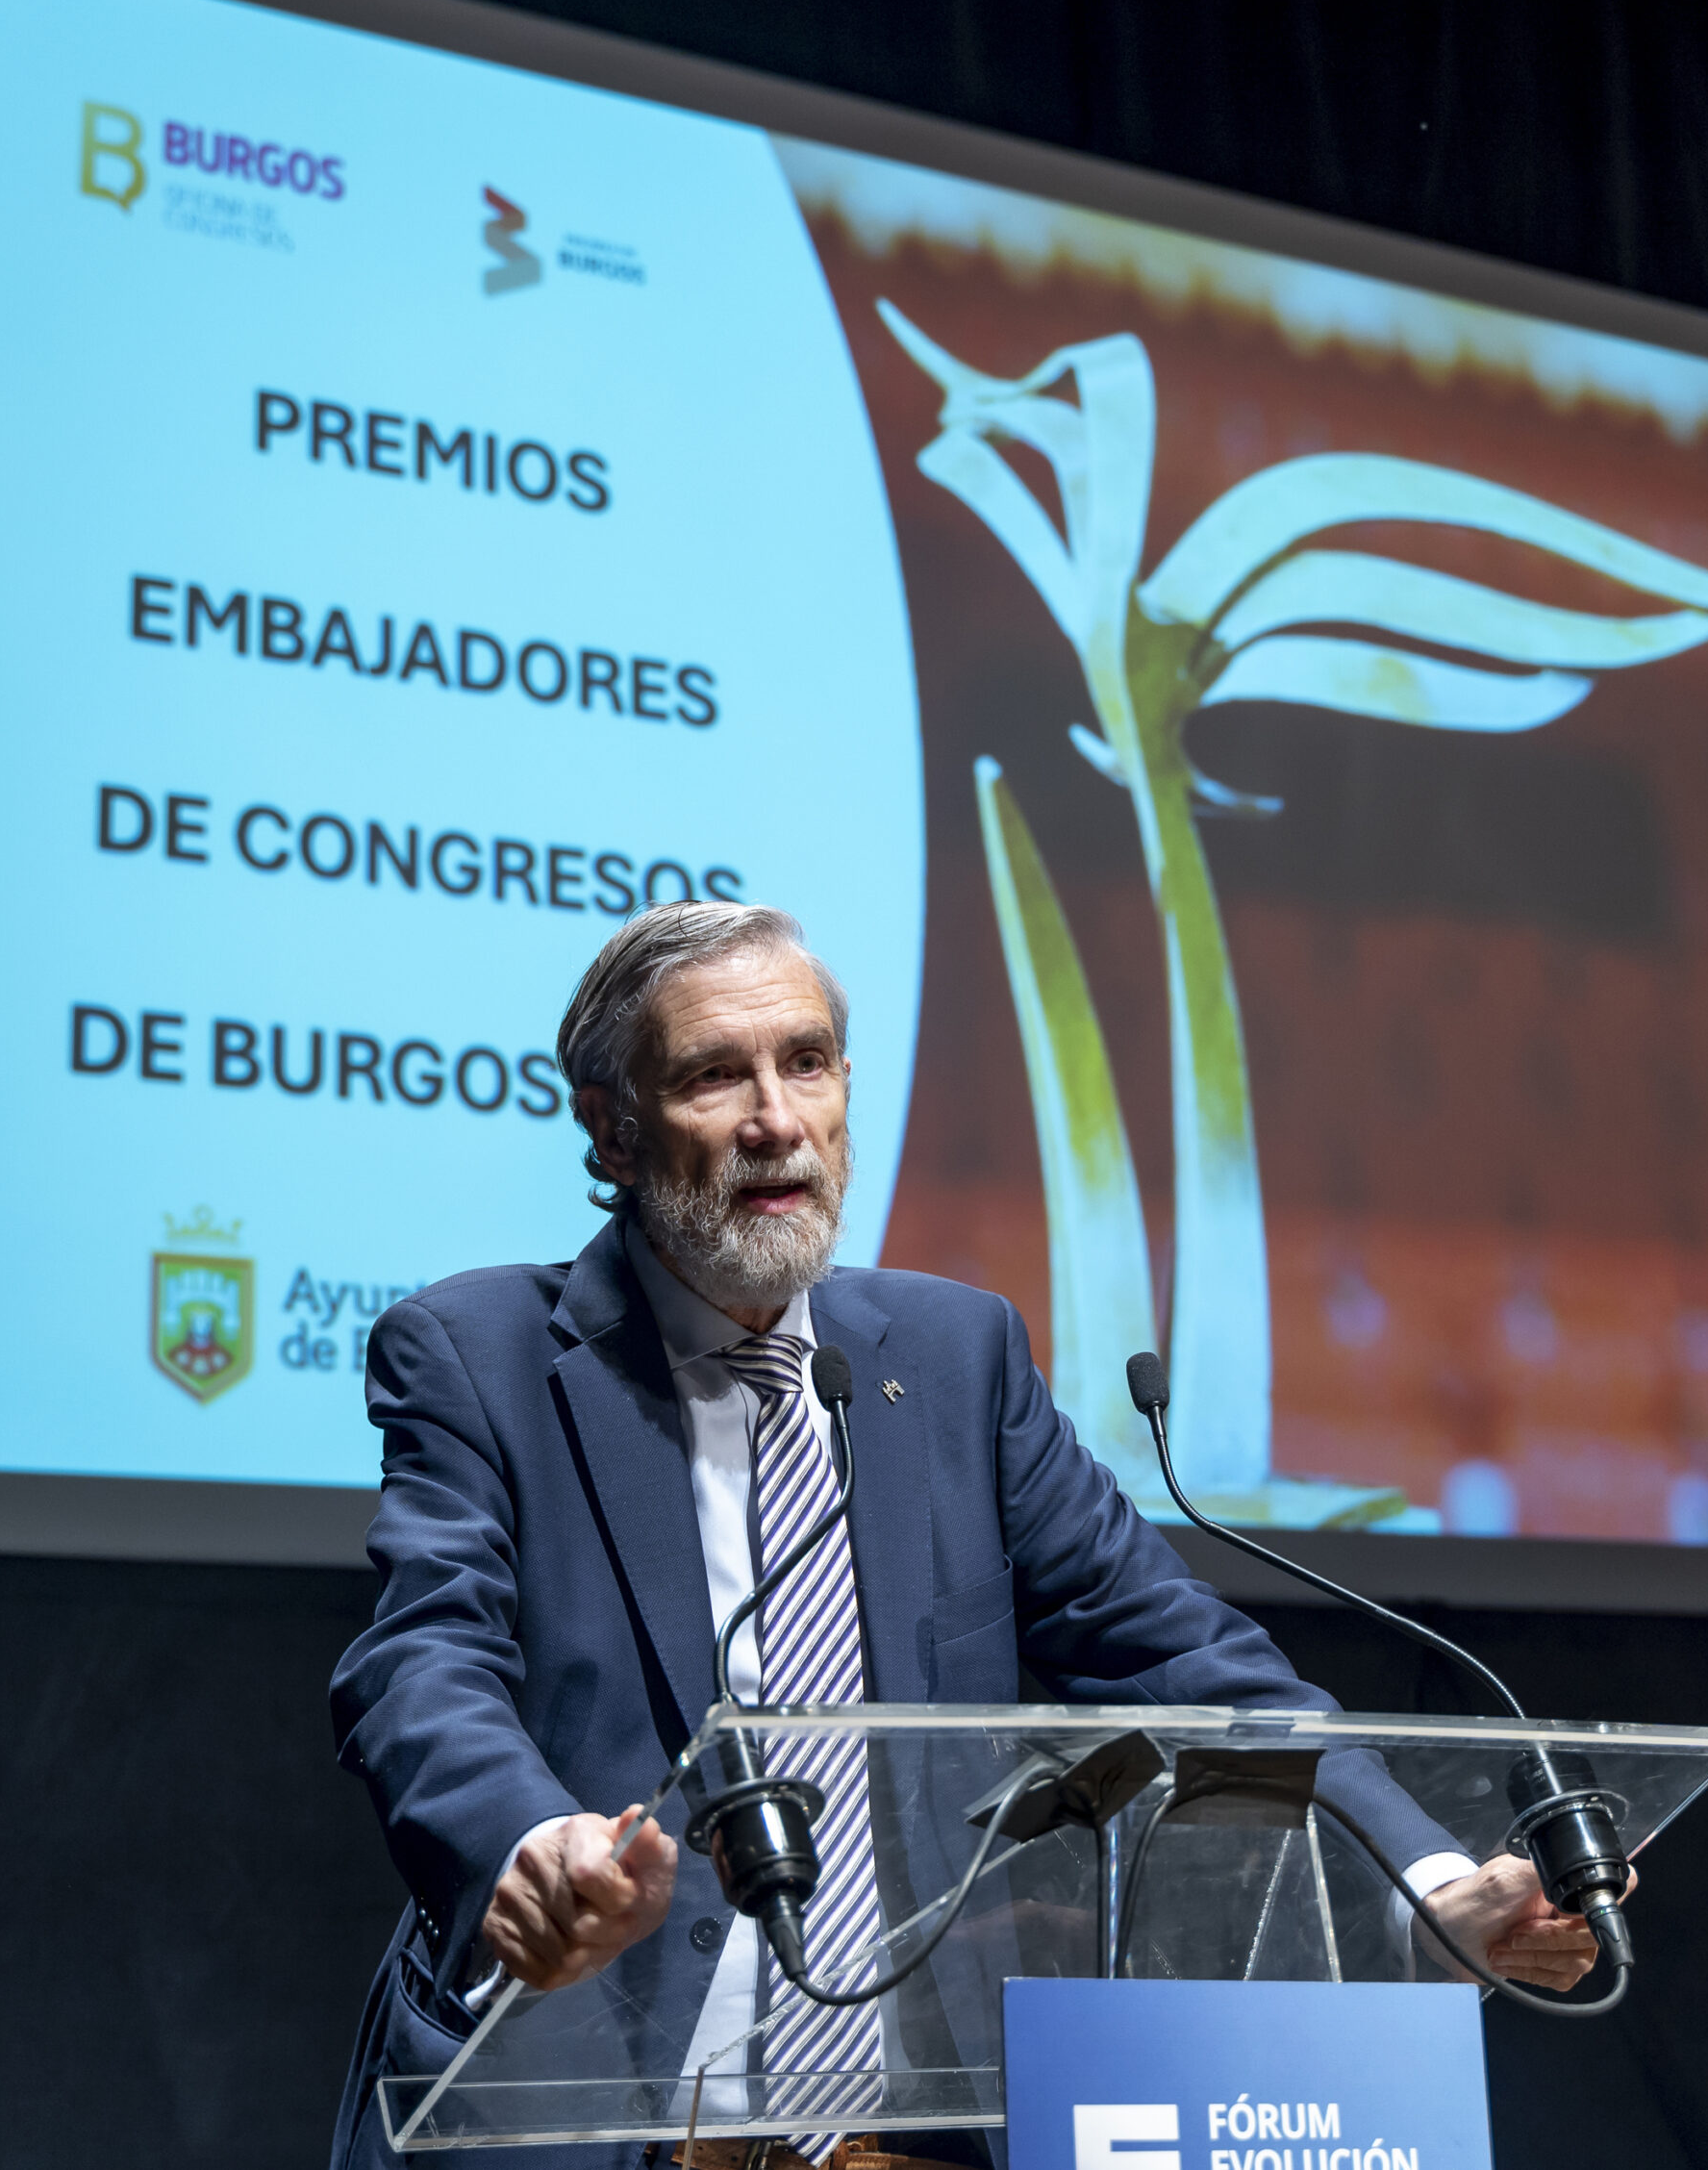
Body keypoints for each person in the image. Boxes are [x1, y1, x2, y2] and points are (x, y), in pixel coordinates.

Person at [328, 901, 1606, 2170]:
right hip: (597, 2109)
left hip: (904, 2134)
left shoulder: (951, 1357)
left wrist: (1426, 1876)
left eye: (808, 1061)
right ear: (610, 1124)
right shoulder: (478, 1355)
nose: (777, 1119)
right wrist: (521, 1841)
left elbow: (1192, 1664)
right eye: (716, 1074)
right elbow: (419, 1662)